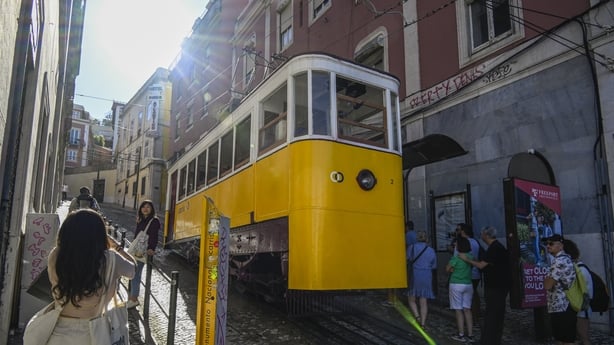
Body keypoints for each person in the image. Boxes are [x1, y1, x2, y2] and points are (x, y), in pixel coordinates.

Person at [45, 209, 135, 344]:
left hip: (57, 332)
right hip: (94, 334)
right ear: (100, 234)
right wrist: (116, 247)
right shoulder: (111, 259)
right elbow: (133, 269)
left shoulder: (56, 255)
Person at [459, 226, 511, 345]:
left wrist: (467, 259)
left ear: (486, 235)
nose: (481, 235)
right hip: (498, 286)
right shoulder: (495, 247)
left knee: (492, 315)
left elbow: (481, 265)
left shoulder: (495, 248)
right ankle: (491, 340)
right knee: (494, 314)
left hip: (496, 286)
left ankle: (489, 341)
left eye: (482, 233)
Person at [544, 234, 577, 345]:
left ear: (561, 245)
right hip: (564, 304)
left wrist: (546, 278)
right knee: (565, 339)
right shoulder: (566, 259)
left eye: (551, 244)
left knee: (565, 340)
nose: (548, 246)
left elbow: (548, 285)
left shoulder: (559, 261)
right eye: (547, 243)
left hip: (561, 305)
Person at [127, 199, 160, 309]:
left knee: (136, 274)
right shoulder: (141, 220)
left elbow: (154, 236)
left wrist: (151, 248)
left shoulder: (154, 221)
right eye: (143, 207)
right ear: (141, 209)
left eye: (148, 207)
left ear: (151, 209)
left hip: (143, 251)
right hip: (136, 250)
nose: (145, 209)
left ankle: (133, 299)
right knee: (133, 273)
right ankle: (132, 296)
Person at [563, 239, 593, 345]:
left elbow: (587, 294)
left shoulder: (580, 270)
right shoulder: (575, 268)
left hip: (580, 310)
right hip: (577, 309)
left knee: (584, 337)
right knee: (578, 338)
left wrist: (580, 311)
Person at [406, 230, 437, 328]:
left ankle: (417, 317)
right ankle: (423, 323)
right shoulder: (431, 250)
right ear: (426, 238)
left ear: (417, 238)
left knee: (411, 298)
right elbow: (434, 266)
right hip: (427, 275)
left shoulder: (412, 247)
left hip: (415, 275)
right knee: (423, 301)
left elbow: (407, 259)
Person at [447, 237, 475, 343]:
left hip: (456, 284)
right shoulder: (470, 256)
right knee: (467, 309)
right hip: (468, 284)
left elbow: (447, 269)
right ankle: (471, 335)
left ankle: (461, 334)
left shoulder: (456, 257)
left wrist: (453, 269)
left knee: (458, 310)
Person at [457, 223, 482, 321]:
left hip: (466, 272)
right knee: (474, 293)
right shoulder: (475, 242)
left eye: (458, 230)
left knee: (467, 297)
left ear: (463, 231)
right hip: (475, 272)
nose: (457, 232)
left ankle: (471, 317)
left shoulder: (463, 242)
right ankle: (476, 314)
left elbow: (458, 257)